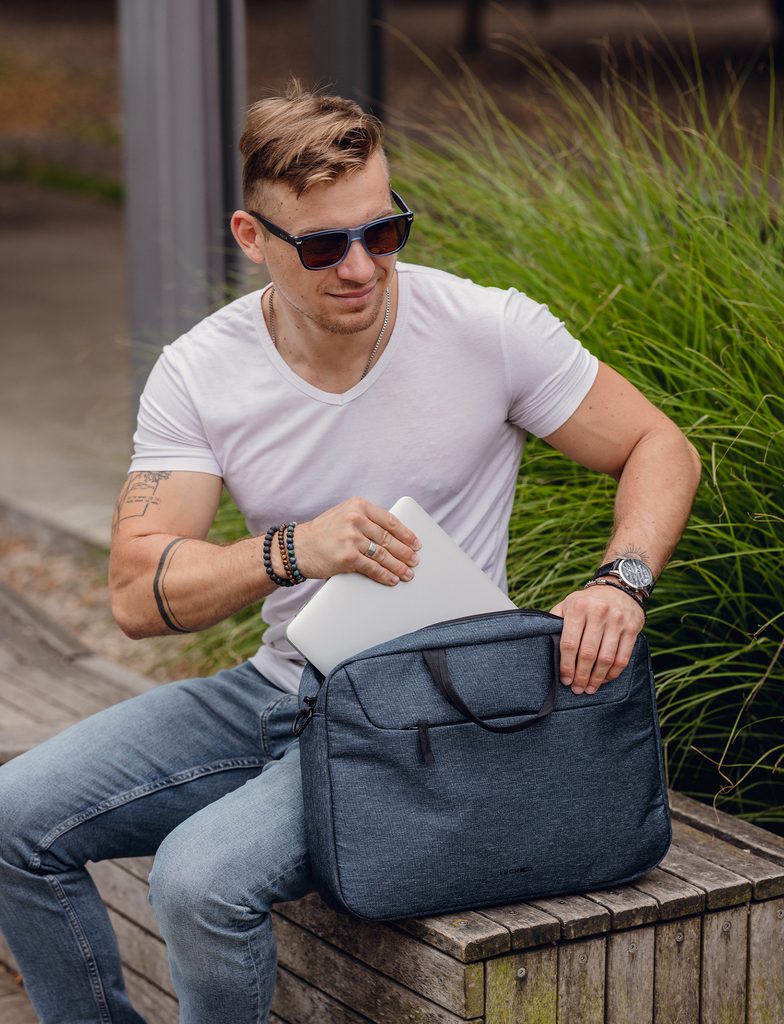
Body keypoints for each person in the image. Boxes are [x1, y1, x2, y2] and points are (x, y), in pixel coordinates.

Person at [0, 83, 701, 1023]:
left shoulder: (488, 328)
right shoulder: (202, 370)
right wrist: (293, 551)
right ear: (252, 237)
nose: (363, 267)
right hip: (278, 689)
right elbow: (137, 593)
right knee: (11, 818)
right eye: (325, 246)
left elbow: (660, 446)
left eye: (384, 231)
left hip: (430, 715)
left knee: (199, 881)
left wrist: (622, 580)